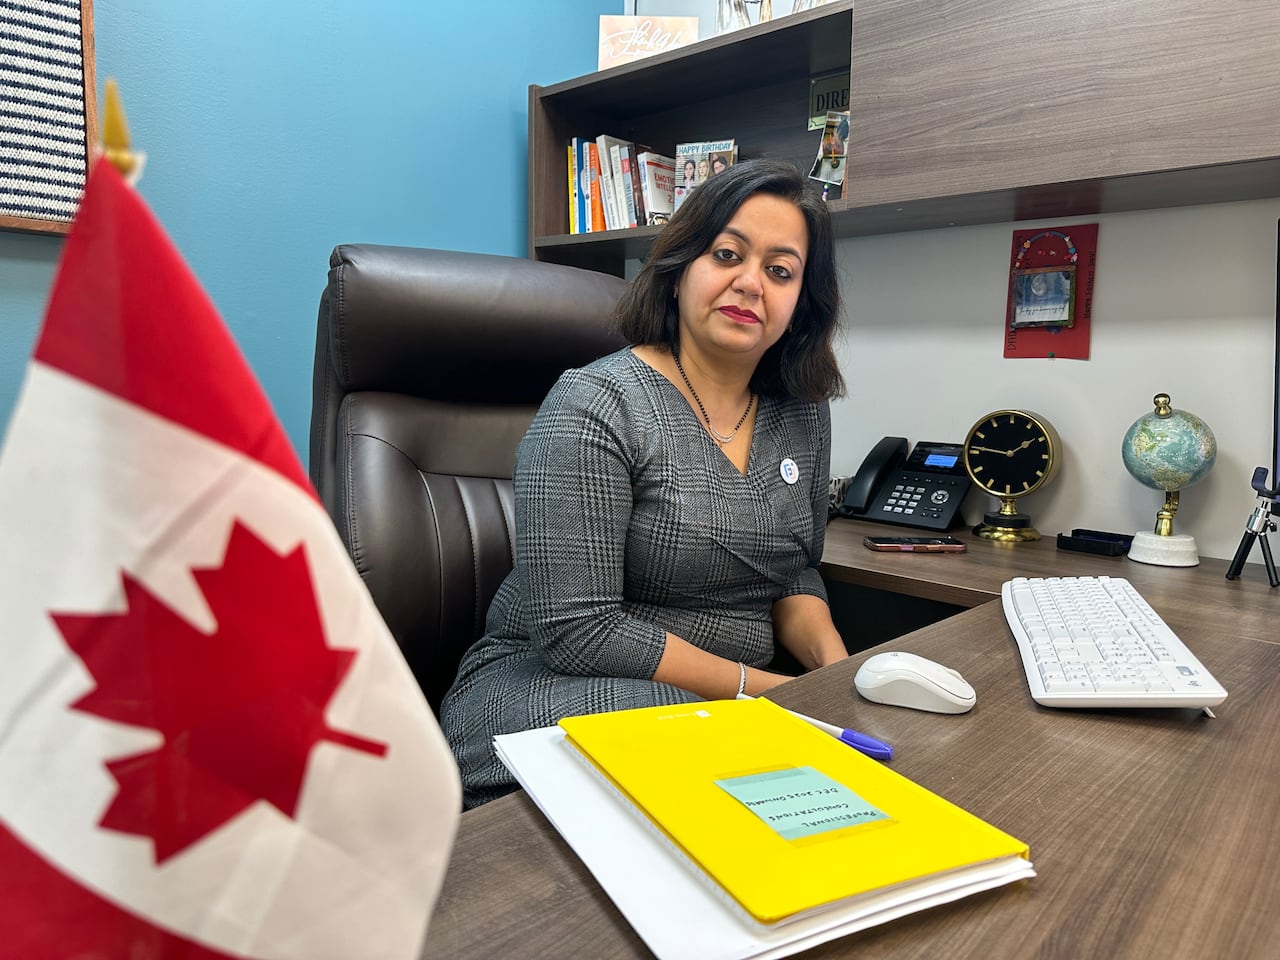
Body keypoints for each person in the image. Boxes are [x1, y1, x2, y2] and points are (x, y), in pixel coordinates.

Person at [439, 158, 849, 809]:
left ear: (801, 304)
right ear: (681, 266)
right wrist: (768, 692)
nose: (750, 283)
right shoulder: (597, 403)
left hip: (731, 702)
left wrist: (837, 675)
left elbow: (792, 570)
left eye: (780, 271)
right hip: (556, 683)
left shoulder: (802, 410)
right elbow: (578, 630)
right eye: (727, 254)